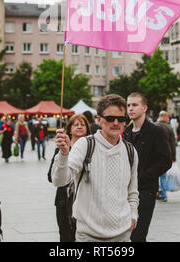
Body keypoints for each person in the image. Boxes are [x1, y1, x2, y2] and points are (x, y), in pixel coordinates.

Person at [52, 94, 139, 242]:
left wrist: (133, 216)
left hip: (123, 235)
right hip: (89, 236)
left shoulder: (130, 151)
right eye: (110, 118)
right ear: (99, 120)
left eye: (121, 119)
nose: (116, 123)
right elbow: (60, 180)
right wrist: (64, 154)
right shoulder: (85, 145)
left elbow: (132, 191)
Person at [124, 92, 172, 242]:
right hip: (125, 191)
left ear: (144, 108)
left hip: (145, 191)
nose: (130, 108)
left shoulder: (155, 131)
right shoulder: (126, 132)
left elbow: (165, 161)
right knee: (126, 234)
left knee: (138, 235)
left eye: (135, 105)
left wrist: (144, 175)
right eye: (128, 105)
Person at [48, 114, 91, 242]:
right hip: (64, 201)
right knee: (66, 236)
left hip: (86, 200)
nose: (79, 127)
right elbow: (51, 176)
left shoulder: (91, 148)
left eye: (82, 125)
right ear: (69, 129)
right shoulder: (62, 148)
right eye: (76, 124)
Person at [155, 111, 177, 202]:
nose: (168, 119)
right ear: (164, 117)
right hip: (166, 155)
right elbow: (173, 144)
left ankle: (157, 192)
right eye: (168, 118)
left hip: (154, 154)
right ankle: (163, 195)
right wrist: (174, 157)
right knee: (163, 176)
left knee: (154, 175)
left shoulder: (153, 126)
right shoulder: (169, 127)